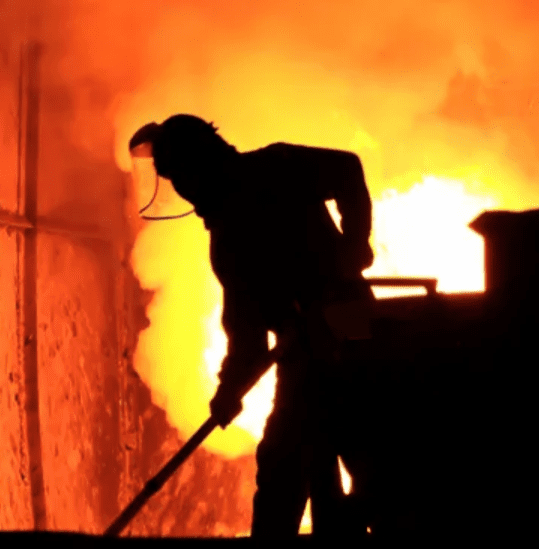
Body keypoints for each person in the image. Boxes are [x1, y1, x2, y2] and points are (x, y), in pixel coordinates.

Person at [129, 114, 375, 537]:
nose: (183, 190)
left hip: (350, 331)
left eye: (181, 176)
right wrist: (229, 390)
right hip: (301, 353)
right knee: (288, 462)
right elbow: (247, 336)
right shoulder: (227, 241)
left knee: (365, 453)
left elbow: (347, 169)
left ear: (202, 162)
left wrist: (354, 247)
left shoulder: (274, 168)